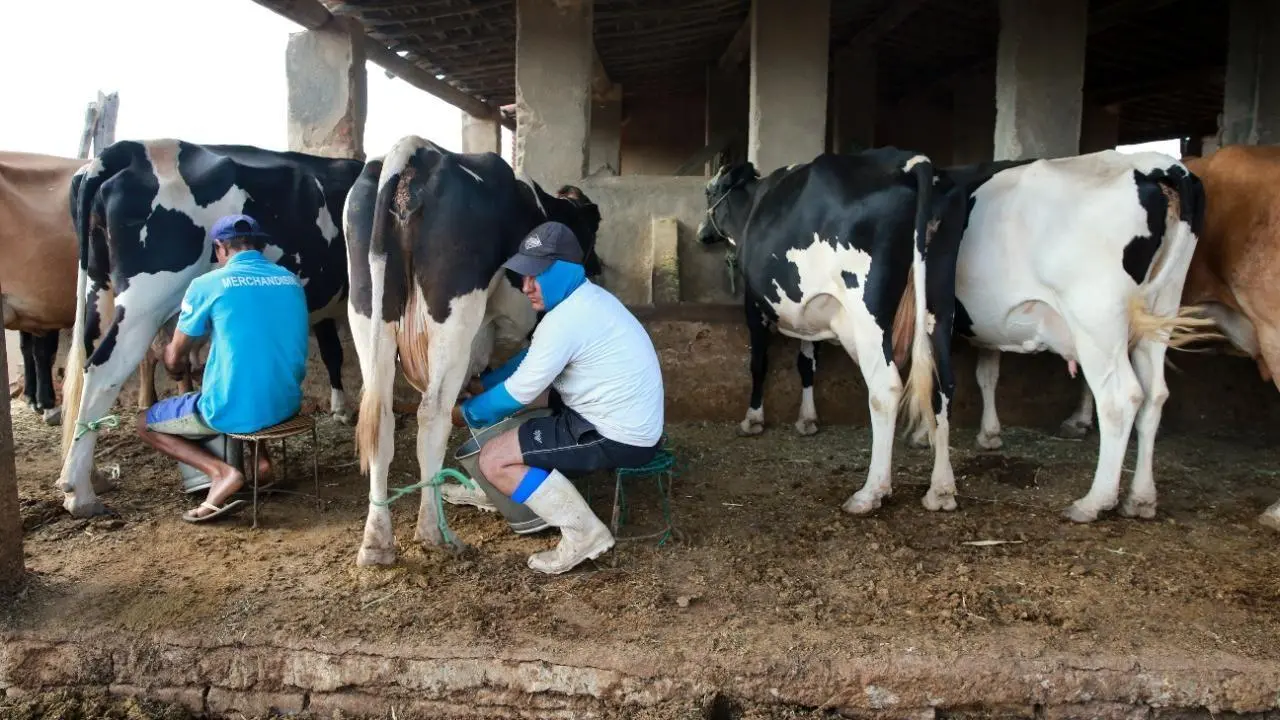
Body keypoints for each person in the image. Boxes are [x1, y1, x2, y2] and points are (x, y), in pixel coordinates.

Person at [450, 220, 665, 575]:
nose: (527, 286)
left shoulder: (565, 319)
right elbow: (529, 360)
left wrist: (468, 413)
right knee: (515, 425)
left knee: (493, 459)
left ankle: (584, 534)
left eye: (538, 275)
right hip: (622, 422)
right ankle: (496, 489)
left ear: (564, 271)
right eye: (524, 275)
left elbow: (520, 392)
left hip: (618, 436)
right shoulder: (587, 300)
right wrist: (485, 384)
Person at [136, 214, 310, 523]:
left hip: (231, 408)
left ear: (220, 248)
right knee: (253, 375)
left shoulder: (208, 284)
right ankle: (262, 463)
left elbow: (176, 356)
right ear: (260, 245)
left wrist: (171, 362)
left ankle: (221, 473)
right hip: (287, 404)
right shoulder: (289, 279)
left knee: (143, 424)